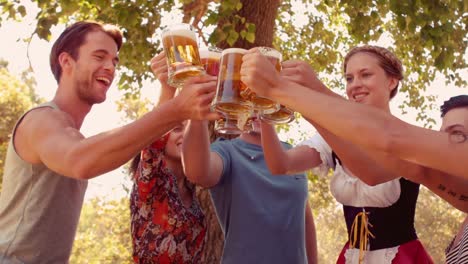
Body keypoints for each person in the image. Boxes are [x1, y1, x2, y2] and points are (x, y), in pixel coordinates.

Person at [0, 21, 218, 263]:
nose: (110, 67)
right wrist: (177, 109)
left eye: (114, 61)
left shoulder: (70, 132)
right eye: (99, 56)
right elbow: (80, 160)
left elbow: (145, 142)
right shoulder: (41, 120)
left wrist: (167, 90)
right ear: (66, 61)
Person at [242, 45, 434, 263]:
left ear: (392, 81)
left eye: (366, 74)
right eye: (349, 78)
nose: (355, 85)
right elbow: (280, 165)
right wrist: (265, 107)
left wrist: (310, 95)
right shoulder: (331, 137)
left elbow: (371, 175)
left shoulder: (408, 137)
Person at [182, 117, 318, 263]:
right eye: (250, 100)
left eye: (264, 100)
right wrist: (198, 116)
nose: (258, 109)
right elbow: (197, 172)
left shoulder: (292, 154)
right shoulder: (226, 151)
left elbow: (304, 219)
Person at [129, 53, 206, 263]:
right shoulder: (152, 182)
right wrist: (168, 87)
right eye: (176, 129)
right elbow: (153, 140)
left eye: (186, 129)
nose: (183, 135)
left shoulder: (193, 188)